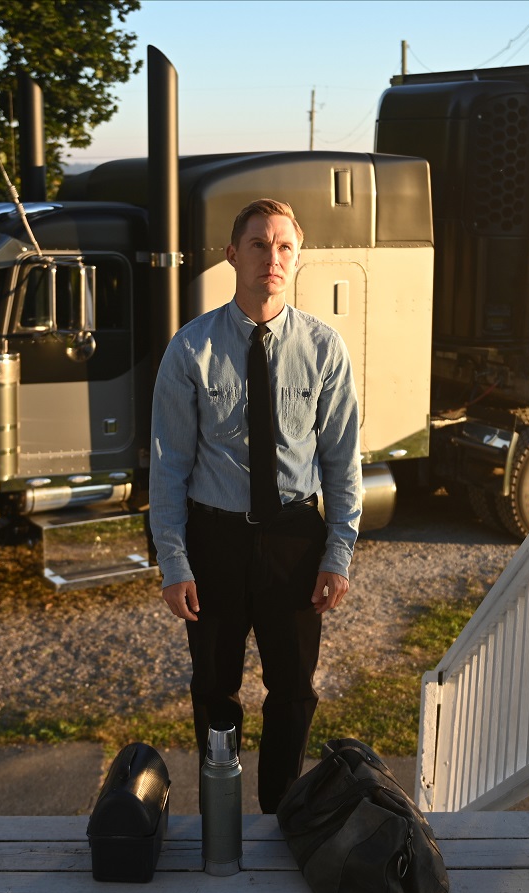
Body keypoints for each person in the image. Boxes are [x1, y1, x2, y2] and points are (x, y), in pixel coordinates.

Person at [149, 198, 363, 812]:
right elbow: (168, 466)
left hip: (296, 539)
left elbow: (341, 461)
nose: (273, 257)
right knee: (214, 688)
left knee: (293, 690)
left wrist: (338, 554)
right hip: (213, 541)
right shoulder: (191, 350)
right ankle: (221, 815)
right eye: (259, 244)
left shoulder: (324, 349)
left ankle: (279, 813)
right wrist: (175, 562)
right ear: (232, 255)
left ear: (297, 258)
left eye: (284, 247)